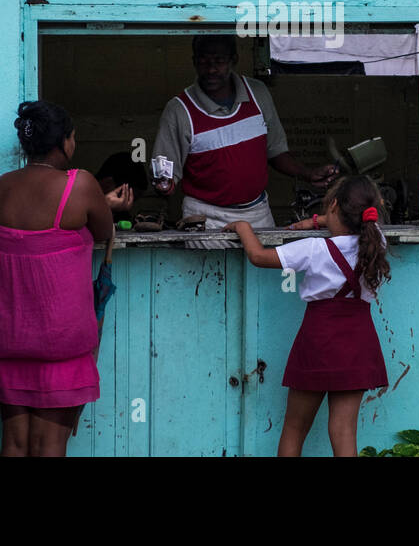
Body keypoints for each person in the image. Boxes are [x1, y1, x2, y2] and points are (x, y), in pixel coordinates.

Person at [0, 100, 133, 457]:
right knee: (48, 447)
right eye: (73, 138)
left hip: (10, 337)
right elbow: (102, 230)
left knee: (15, 446)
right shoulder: (79, 184)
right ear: (65, 142)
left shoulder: (3, 186)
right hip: (60, 341)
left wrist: (99, 201)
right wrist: (108, 204)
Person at [230, 175, 391, 457]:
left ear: (334, 206)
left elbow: (258, 256)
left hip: (318, 341)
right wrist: (317, 222)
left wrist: (243, 227)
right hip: (358, 343)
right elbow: (361, 226)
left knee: (295, 428)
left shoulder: (313, 249)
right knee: (343, 432)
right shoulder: (376, 240)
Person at [153, 35, 336, 245]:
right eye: (203, 61)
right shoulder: (179, 110)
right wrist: (163, 185)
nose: (211, 69)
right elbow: (166, 175)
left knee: (263, 275)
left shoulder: (257, 93)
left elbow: (275, 151)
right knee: (211, 277)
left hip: (258, 213)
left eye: (219, 61)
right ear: (194, 61)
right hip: (206, 219)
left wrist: (308, 174)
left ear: (234, 60)